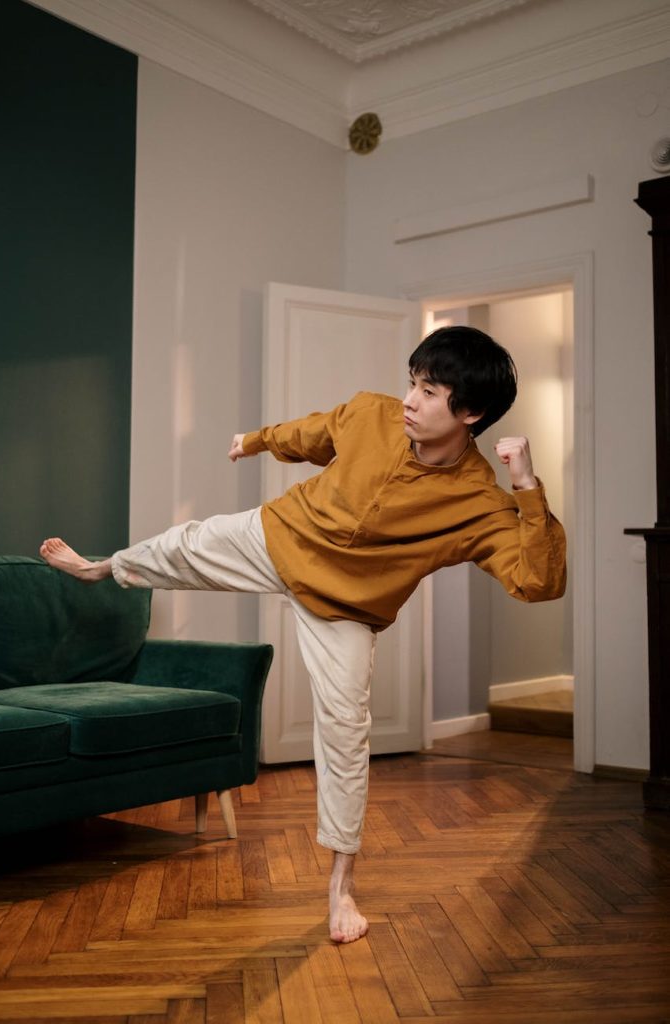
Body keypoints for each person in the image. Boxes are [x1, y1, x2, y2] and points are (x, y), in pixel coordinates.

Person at [40, 325, 566, 944]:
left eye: (428, 392)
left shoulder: (480, 501)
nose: (410, 400)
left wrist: (526, 487)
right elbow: (315, 431)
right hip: (283, 536)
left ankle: (341, 887)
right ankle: (101, 568)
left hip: (345, 605)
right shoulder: (373, 414)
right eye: (412, 383)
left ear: (470, 412)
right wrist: (257, 440)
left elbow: (538, 581)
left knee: (346, 728)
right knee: (188, 542)